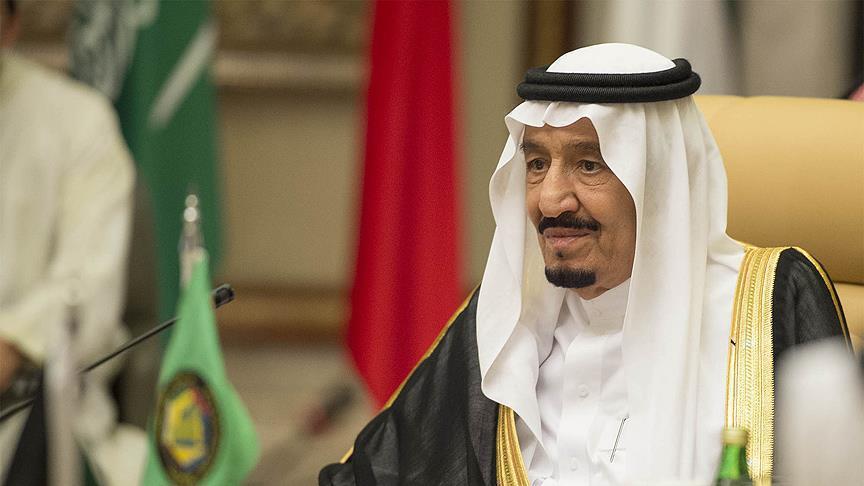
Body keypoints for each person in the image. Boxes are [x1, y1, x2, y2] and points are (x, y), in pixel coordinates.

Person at [319, 43, 849, 485]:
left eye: (589, 164)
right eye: (536, 163)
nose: (551, 200)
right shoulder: (506, 317)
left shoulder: (767, 301)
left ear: (658, 181)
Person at [0, 0, 145, 483]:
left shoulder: (78, 122)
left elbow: (88, 285)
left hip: (35, 413)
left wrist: (13, 342)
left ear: (11, 25)